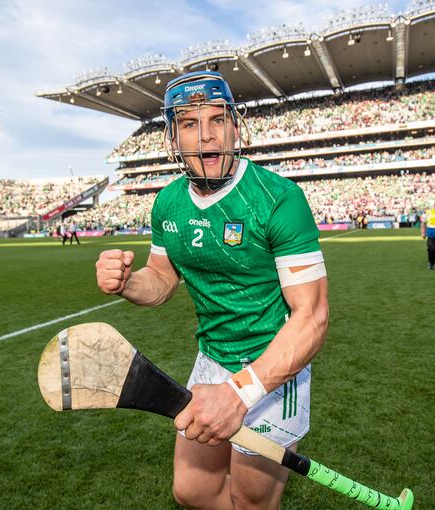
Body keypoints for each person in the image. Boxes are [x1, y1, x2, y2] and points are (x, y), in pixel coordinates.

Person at [95, 71, 329, 510]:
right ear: (173, 136)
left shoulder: (278, 198)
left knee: (252, 498)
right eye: (189, 124)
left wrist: (241, 392)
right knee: (192, 490)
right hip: (211, 360)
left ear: (235, 127)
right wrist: (128, 282)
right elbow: (161, 280)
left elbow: (312, 317)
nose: (206, 137)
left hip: (272, 365)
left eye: (217, 120)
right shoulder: (168, 203)